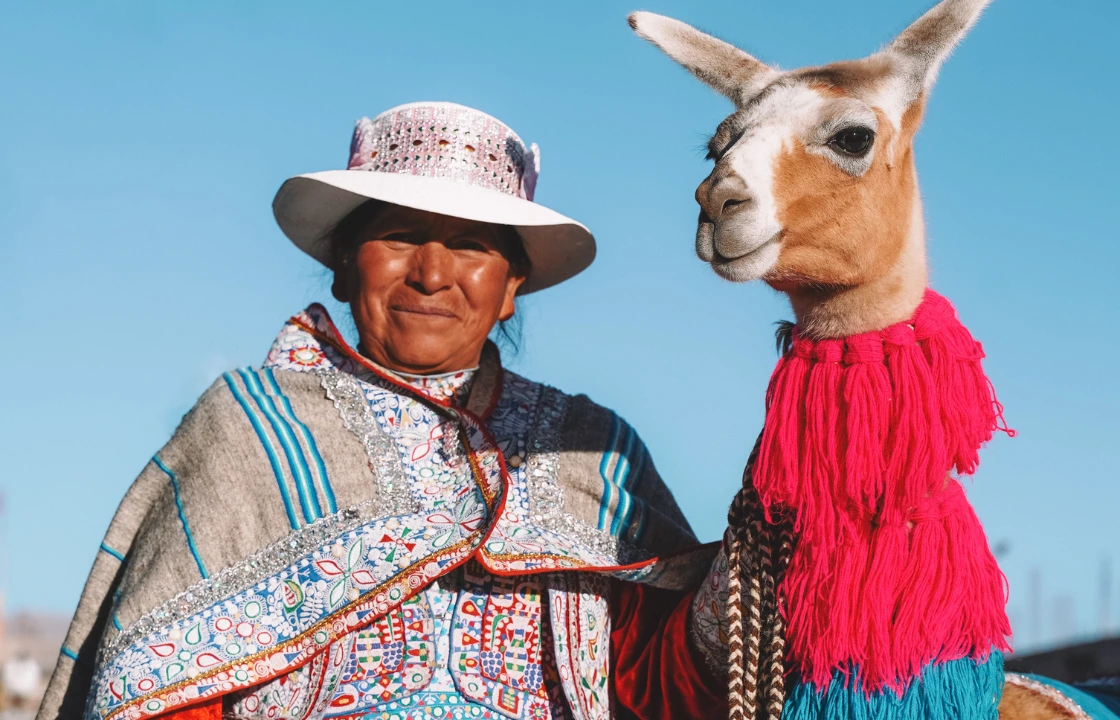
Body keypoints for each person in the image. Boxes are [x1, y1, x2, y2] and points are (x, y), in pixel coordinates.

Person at [37, 102, 728, 720]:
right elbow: (159, 692)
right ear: (343, 265)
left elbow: (663, 682)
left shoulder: (589, 449)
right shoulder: (246, 429)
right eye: (400, 237)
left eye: (470, 245)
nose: (431, 273)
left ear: (512, 286)